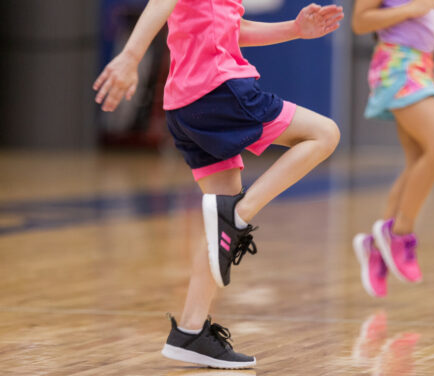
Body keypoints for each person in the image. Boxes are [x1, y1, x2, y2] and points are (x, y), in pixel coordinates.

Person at [93, 0, 344, 369]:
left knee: (217, 221)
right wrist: (130, 57)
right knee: (325, 134)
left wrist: (294, 29)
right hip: (219, 89)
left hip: (186, 106)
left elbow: (228, 28)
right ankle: (238, 215)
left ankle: (191, 330)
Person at [351, 0, 434, 297]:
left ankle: (376, 247)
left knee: (419, 159)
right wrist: (414, 8)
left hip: (422, 63)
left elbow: (424, 14)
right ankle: (399, 233)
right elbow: (361, 22)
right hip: (398, 65)